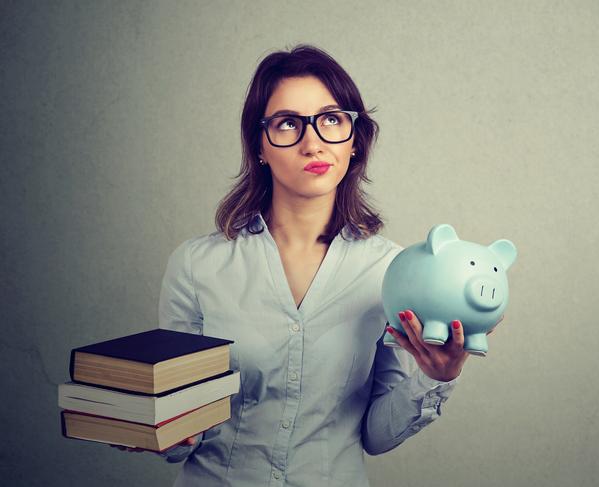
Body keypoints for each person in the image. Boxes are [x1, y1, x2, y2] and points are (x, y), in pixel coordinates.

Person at [115, 44, 500, 486]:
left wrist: (436, 378)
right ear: (259, 145)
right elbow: (185, 426)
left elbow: (375, 435)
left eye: (331, 119)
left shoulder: (389, 271)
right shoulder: (196, 266)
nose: (313, 142)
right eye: (288, 124)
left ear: (355, 140)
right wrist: (164, 427)